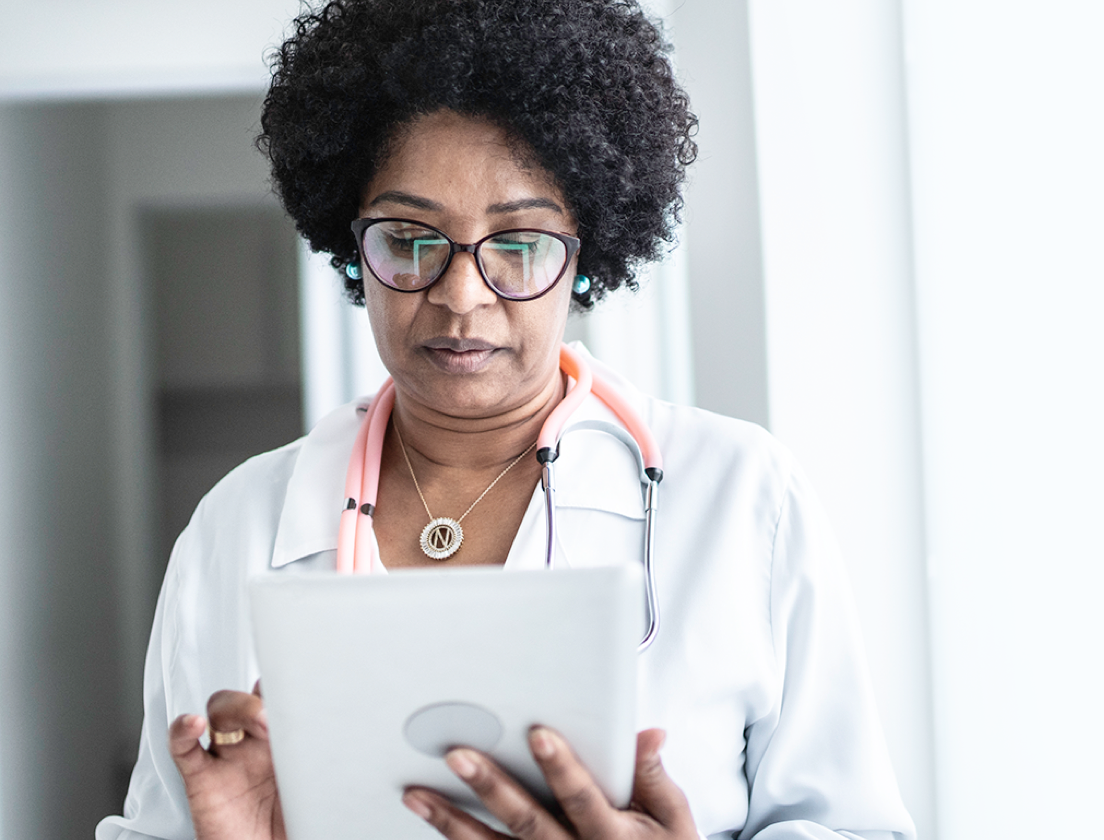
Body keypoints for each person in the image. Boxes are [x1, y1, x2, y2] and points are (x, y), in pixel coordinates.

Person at [97, 0, 916, 838]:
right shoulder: (238, 524)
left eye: (518, 243)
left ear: (584, 251)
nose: (460, 296)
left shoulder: (743, 498)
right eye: (411, 240)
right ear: (353, 246)